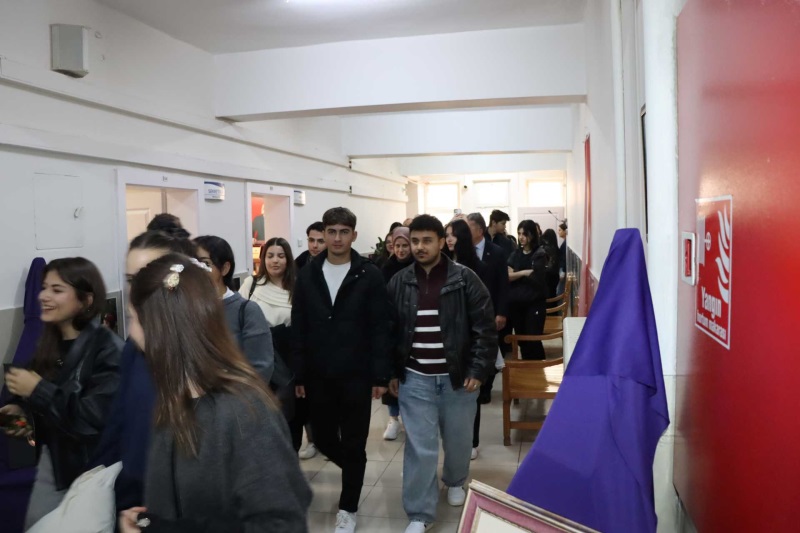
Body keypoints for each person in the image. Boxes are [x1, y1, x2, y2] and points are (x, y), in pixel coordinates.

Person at [119, 254, 311, 533]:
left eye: (133, 319)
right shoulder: (172, 400)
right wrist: (147, 522)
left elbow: (282, 524)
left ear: (161, 327)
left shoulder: (246, 412)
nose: (131, 333)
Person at [387, 215, 496, 533]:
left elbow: (485, 329)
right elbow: (388, 331)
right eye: (415, 241)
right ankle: (419, 513)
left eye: (426, 240)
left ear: (441, 242)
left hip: (458, 379)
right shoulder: (399, 282)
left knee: (458, 440)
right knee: (420, 447)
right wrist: (390, 372)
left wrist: (478, 370)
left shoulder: (465, 279)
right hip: (415, 377)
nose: (419, 247)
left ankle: (456, 480)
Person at [291, 207, 393, 533]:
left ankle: (348, 508)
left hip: (357, 374)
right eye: (331, 232)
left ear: (354, 235)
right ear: (324, 234)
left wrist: (380, 375)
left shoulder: (369, 274)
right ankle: (355, 467)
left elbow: (380, 327)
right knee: (322, 438)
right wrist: (299, 373)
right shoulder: (308, 273)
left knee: (354, 440)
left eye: (343, 232)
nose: (337, 238)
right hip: (318, 374)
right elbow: (299, 325)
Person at [2, 257, 123, 529]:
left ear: (86, 300)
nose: (44, 296)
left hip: (93, 471)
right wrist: (18, 414)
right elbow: (37, 411)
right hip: (54, 465)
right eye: (44, 288)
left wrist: (37, 390)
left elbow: (90, 420)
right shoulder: (48, 343)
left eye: (57, 290)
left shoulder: (109, 351)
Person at [239, 237, 305, 453]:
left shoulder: (298, 287)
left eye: (280, 256)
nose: (275, 260)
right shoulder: (251, 285)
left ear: (288, 259)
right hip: (257, 359)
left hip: (287, 359)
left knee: (288, 416)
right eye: (270, 256)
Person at [194, 235, 275, 384]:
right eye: (193, 263)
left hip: (236, 396)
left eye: (205, 264)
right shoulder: (186, 308)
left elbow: (261, 368)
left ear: (224, 268)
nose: (198, 270)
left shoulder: (247, 311)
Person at [445, 219, 492, 460]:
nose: (449, 239)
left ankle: (473, 440)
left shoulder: (476, 268)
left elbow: (484, 306)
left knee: (471, 391)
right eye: (446, 235)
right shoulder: (442, 265)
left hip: (469, 336)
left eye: (453, 235)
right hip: (447, 338)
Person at [465, 213, 509, 403]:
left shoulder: (496, 252)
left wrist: (501, 312)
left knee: (490, 349)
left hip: (491, 309)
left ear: (479, 230)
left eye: (468, 228)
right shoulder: (464, 252)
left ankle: (487, 386)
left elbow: (503, 285)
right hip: (470, 311)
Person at [380, 226, 413, 441]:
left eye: (404, 245)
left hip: (412, 326)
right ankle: (393, 418)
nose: (400, 250)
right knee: (392, 374)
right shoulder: (386, 267)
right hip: (392, 327)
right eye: (396, 245)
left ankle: (411, 418)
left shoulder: (418, 266)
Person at [507, 220, 549, 360]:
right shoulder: (515, 254)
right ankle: (527, 367)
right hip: (517, 303)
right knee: (522, 340)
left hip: (534, 303)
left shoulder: (539, 254)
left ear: (532, 235)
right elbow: (508, 276)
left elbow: (537, 276)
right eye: (519, 233)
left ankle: (538, 367)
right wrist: (524, 273)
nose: (521, 237)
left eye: (524, 234)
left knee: (533, 339)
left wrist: (516, 273)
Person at [540, 229, 561, 299]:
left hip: (547, 275)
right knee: (553, 293)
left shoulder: (544, 249)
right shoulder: (557, 249)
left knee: (547, 295)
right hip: (555, 275)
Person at [557, 221, 568, 295]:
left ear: (565, 231)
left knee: (560, 290)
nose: (558, 232)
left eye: (560, 230)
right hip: (561, 268)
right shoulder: (565, 242)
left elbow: (564, 257)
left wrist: (563, 271)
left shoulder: (566, 243)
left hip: (563, 268)